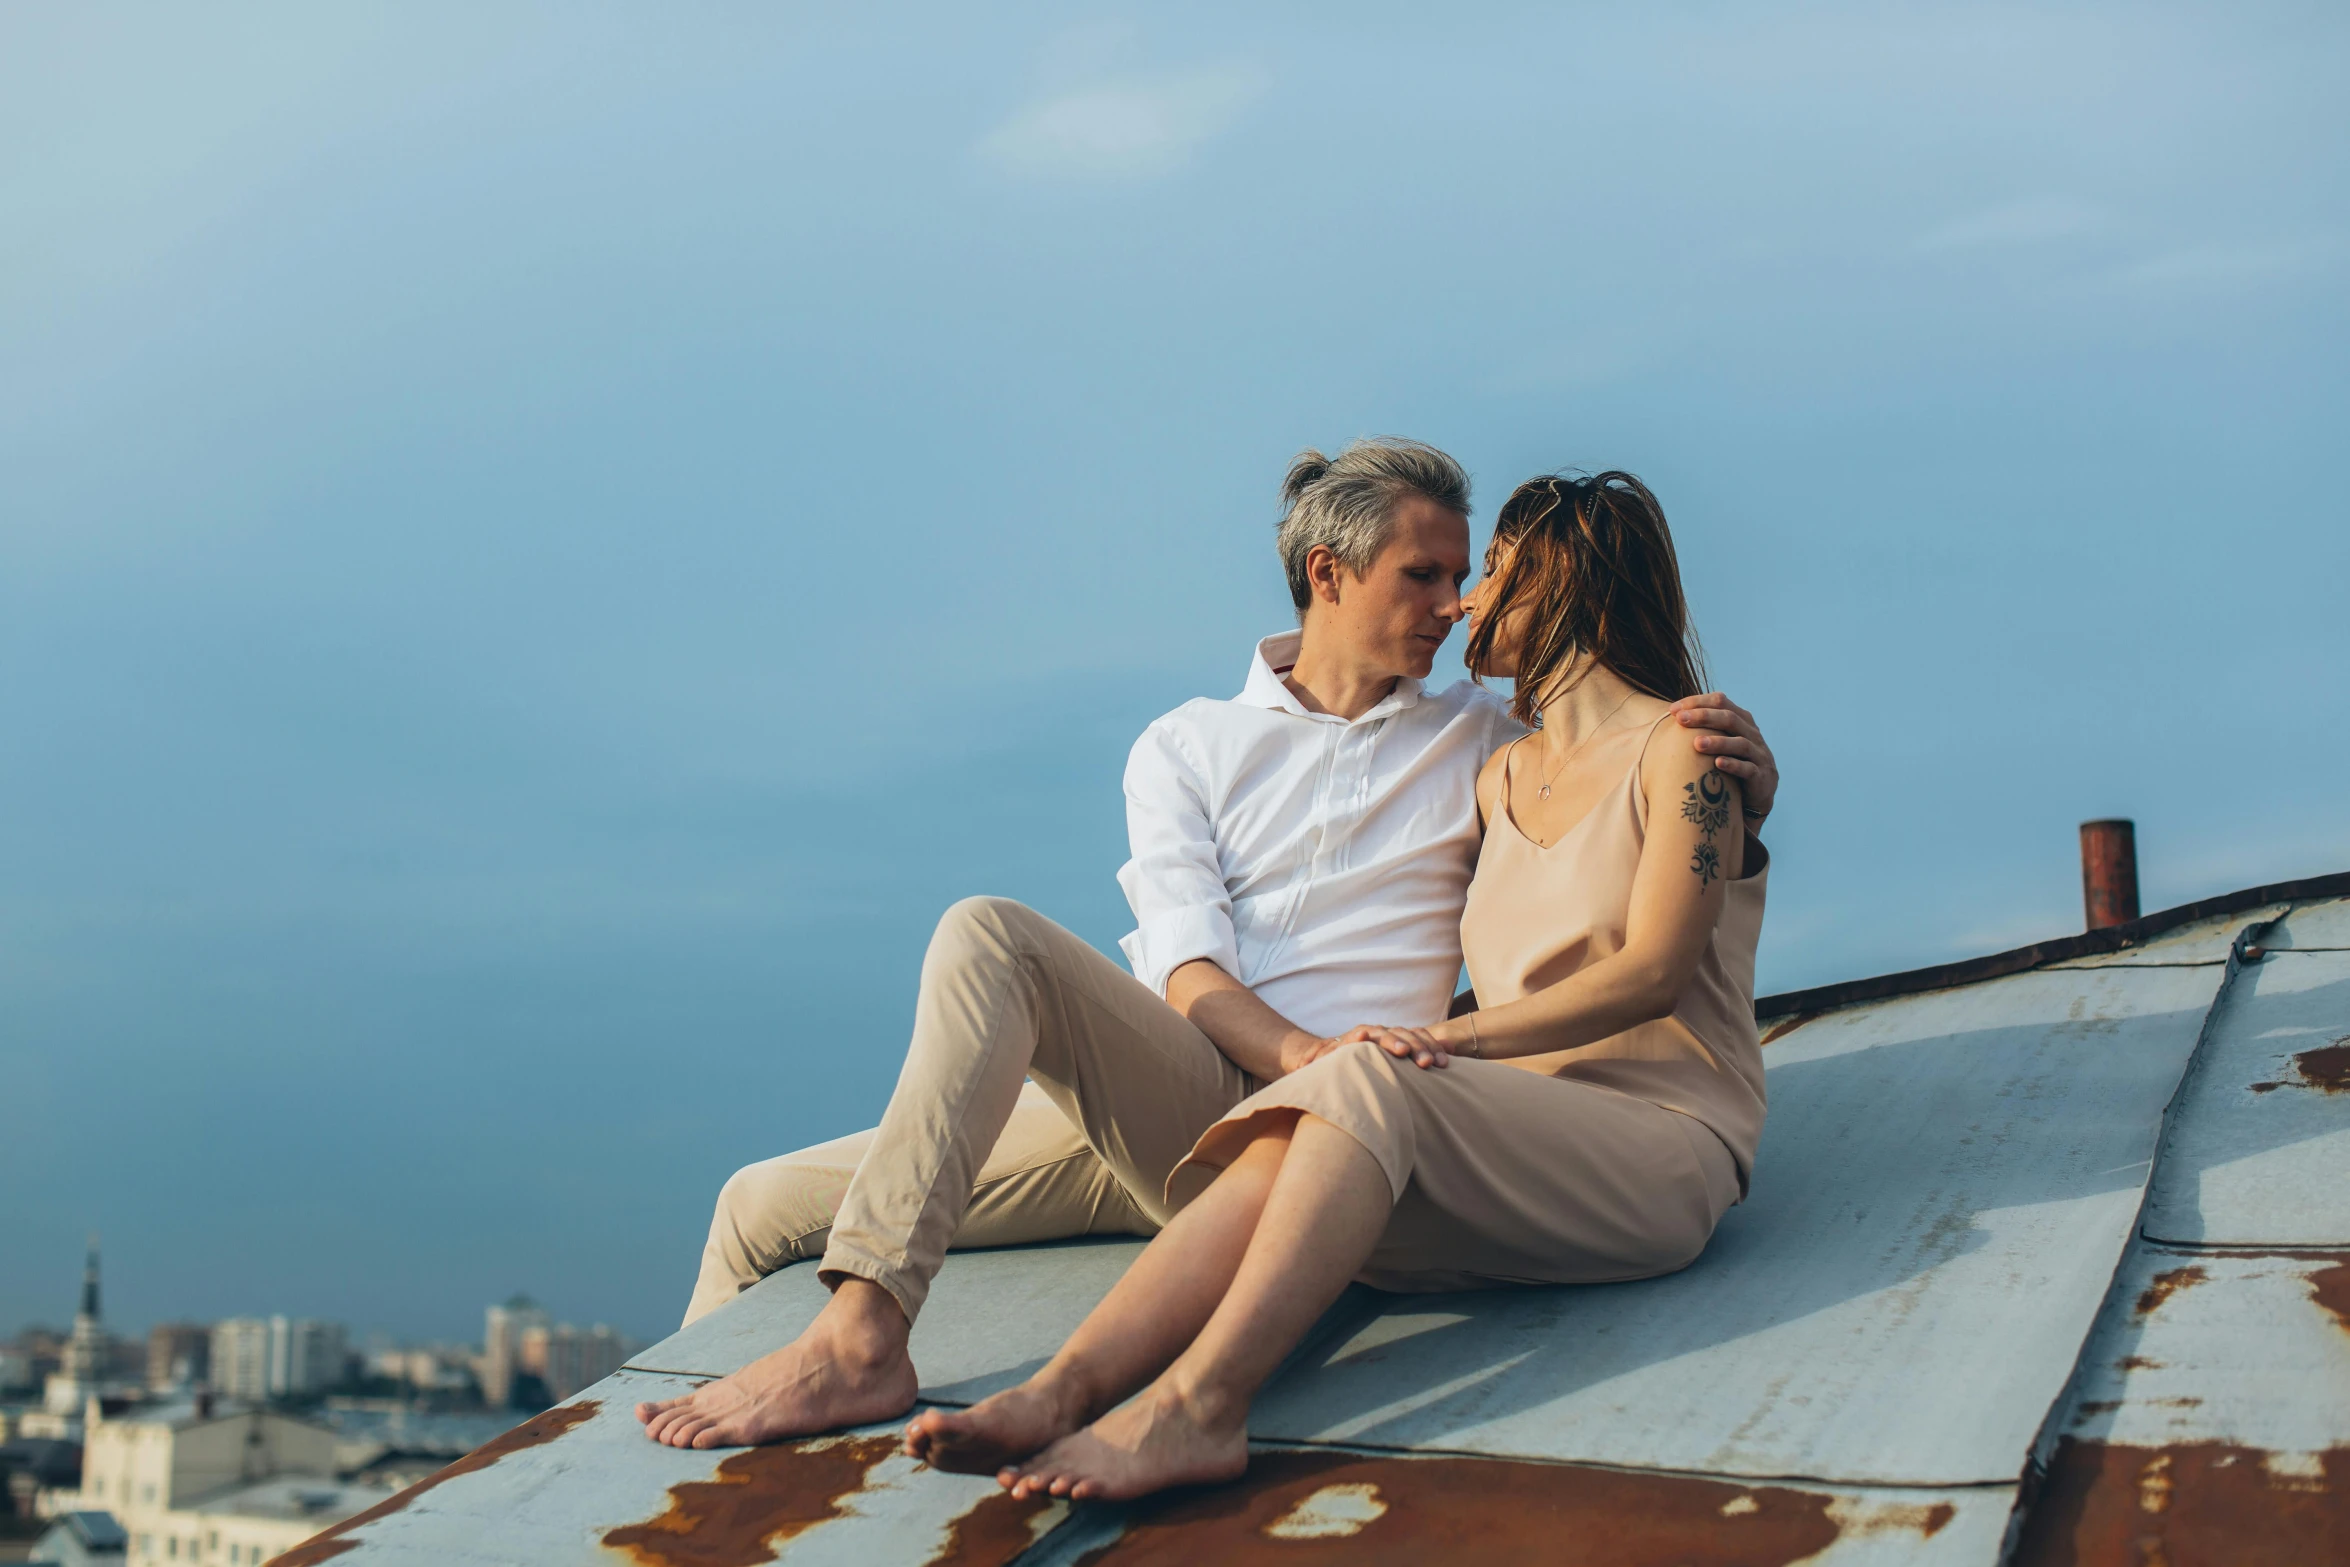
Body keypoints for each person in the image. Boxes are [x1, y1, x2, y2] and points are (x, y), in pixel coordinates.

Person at [637, 443, 1777, 1451]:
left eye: (1466, 573)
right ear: (1329, 574)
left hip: (1358, 1118)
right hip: (1193, 1085)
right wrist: (1299, 1063)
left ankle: (923, 1359)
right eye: (1423, 576)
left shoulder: (1479, 735)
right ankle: (776, 1389)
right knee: (767, 1189)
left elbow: (1628, 777)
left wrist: (1751, 787)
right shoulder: (1187, 743)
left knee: (1340, 1088)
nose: (1457, 605)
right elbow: (1185, 975)